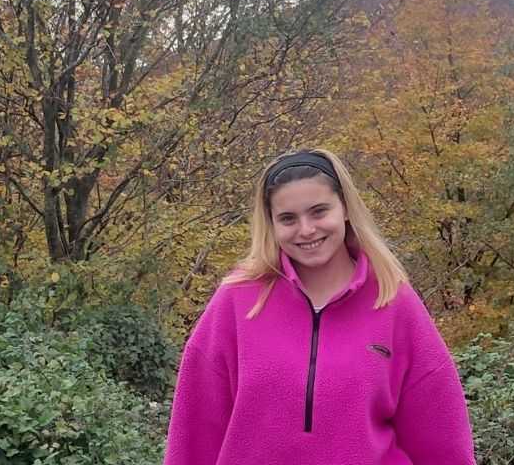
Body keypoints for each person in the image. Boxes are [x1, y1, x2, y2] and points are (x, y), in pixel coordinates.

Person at [163, 148, 477, 465]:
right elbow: (194, 434)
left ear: (345, 208)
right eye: (288, 218)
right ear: (271, 224)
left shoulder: (393, 301)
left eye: (318, 211)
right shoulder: (237, 300)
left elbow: (442, 440)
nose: (306, 230)